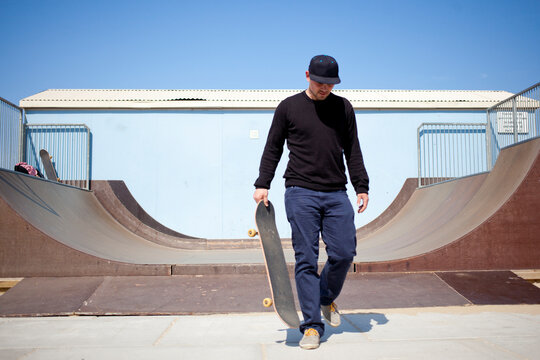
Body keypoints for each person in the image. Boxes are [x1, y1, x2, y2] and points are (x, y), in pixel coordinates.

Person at [253, 55, 369, 350]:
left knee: (344, 252)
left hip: (335, 193)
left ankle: (325, 298)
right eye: (320, 82)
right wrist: (263, 184)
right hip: (299, 191)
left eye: (331, 83)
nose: (325, 88)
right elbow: (273, 148)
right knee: (306, 258)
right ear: (307, 75)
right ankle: (311, 327)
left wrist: (361, 186)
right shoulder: (289, 107)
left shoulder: (343, 108)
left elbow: (352, 149)